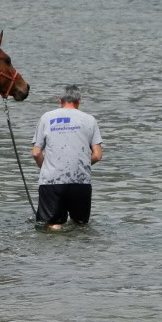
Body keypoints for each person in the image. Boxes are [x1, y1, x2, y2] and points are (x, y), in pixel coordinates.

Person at [31, 84, 103, 229]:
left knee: (53, 226)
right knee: (79, 226)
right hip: (80, 181)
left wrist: (46, 167)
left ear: (60, 100)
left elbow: (36, 152)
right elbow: (97, 155)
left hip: (52, 181)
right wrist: (81, 164)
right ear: (79, 101)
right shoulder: (90, 120)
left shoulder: (46, 117)